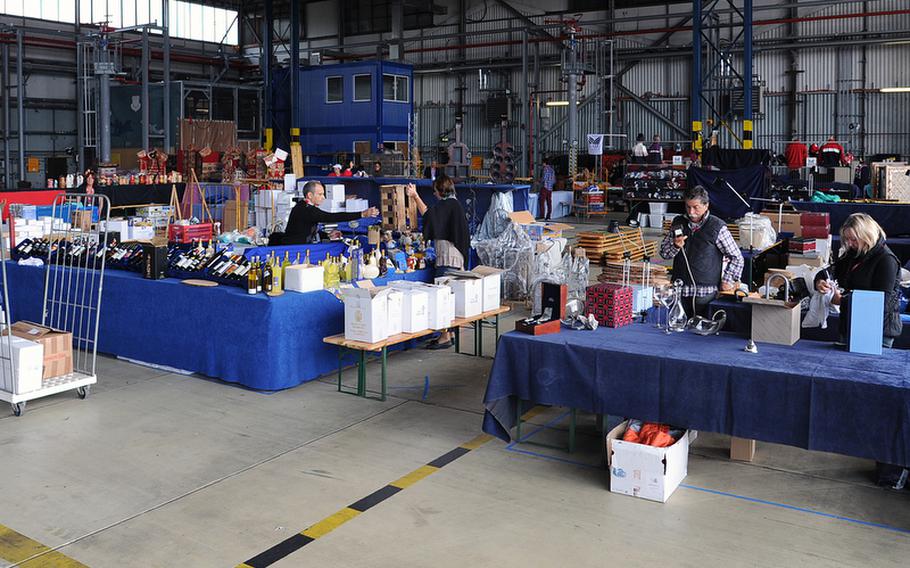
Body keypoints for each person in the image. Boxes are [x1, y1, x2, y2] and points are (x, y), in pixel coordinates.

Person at [814, 213, 902, 348]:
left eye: (853, 239)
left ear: (866, 236)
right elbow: (829, 271)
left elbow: (880, 302)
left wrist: (841, 301)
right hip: (851, 324)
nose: (850, 244)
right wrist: (820, 281)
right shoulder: (854, 254)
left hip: (877, 331)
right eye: (847, 239)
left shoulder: (886, 260)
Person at [660, 185, 744, 318]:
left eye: (695, 207)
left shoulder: (717, 226)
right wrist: (675, 246)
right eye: (688, 206)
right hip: (680, 290)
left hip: (705, 293)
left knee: (701, 333)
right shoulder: (678, 222)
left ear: (706, 206)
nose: (691, 211)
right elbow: (664, 253)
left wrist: (727, 280)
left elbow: (737, 257)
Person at [406, 175, 469, 349]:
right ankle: (450, 333)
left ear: (440, 191)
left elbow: (429, 216)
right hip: (456, 257)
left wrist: (415, 196)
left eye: (435, 191)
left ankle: (444, 337)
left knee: (442, 297)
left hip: (449, 258)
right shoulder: (454, 204)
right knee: (450, 296)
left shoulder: (448, 204)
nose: (434, 195)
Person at [279, 181, 378, 245]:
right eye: (320, 194)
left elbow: (306, 229)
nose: (324, 198)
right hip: (293, 248)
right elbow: (331, 217)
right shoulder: (306, 209)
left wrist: (327, 235)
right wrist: (362, 214)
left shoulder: (304, 206)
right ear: (309, 195)